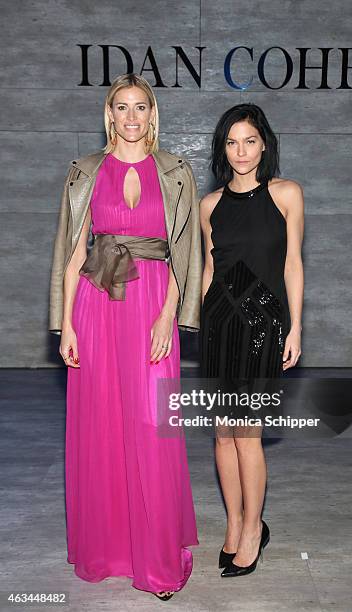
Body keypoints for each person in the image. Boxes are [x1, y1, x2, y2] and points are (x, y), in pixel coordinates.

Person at [48, 73, 202, 601]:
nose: (131, 117)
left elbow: (183, 252)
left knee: (151, 424)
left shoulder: (176, 171)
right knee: (101, 424)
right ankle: (110, 550)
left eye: (141, 107)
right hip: (97, 302)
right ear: (109, 114)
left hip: (152, 303)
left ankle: (156, 560)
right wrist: (66, 322)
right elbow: (73, 252)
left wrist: (168, 314)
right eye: (121, 107)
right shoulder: (85, 171)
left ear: (151, 114)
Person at [199, 103, 304, 577]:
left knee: (248, 436)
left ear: (264, 144)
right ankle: (235, 520)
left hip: (263, 328)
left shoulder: (285, 194)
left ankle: (253, 528)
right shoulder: (210, 205)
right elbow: (208, 270)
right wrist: (202, 328)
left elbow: (292, 266)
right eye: (231, 141)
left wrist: (295, 327)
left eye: (250, 140)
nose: (241, 151)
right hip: (219, 327)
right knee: (223, 435)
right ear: (223, 148)